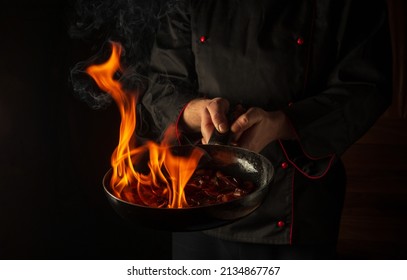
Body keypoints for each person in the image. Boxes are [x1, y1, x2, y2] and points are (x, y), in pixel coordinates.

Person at [141, 0, 392, 259]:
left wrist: (284, 123)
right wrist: (197, 111)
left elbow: (367, 86)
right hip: (196, 204)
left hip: (297, 207)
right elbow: (162, 84)